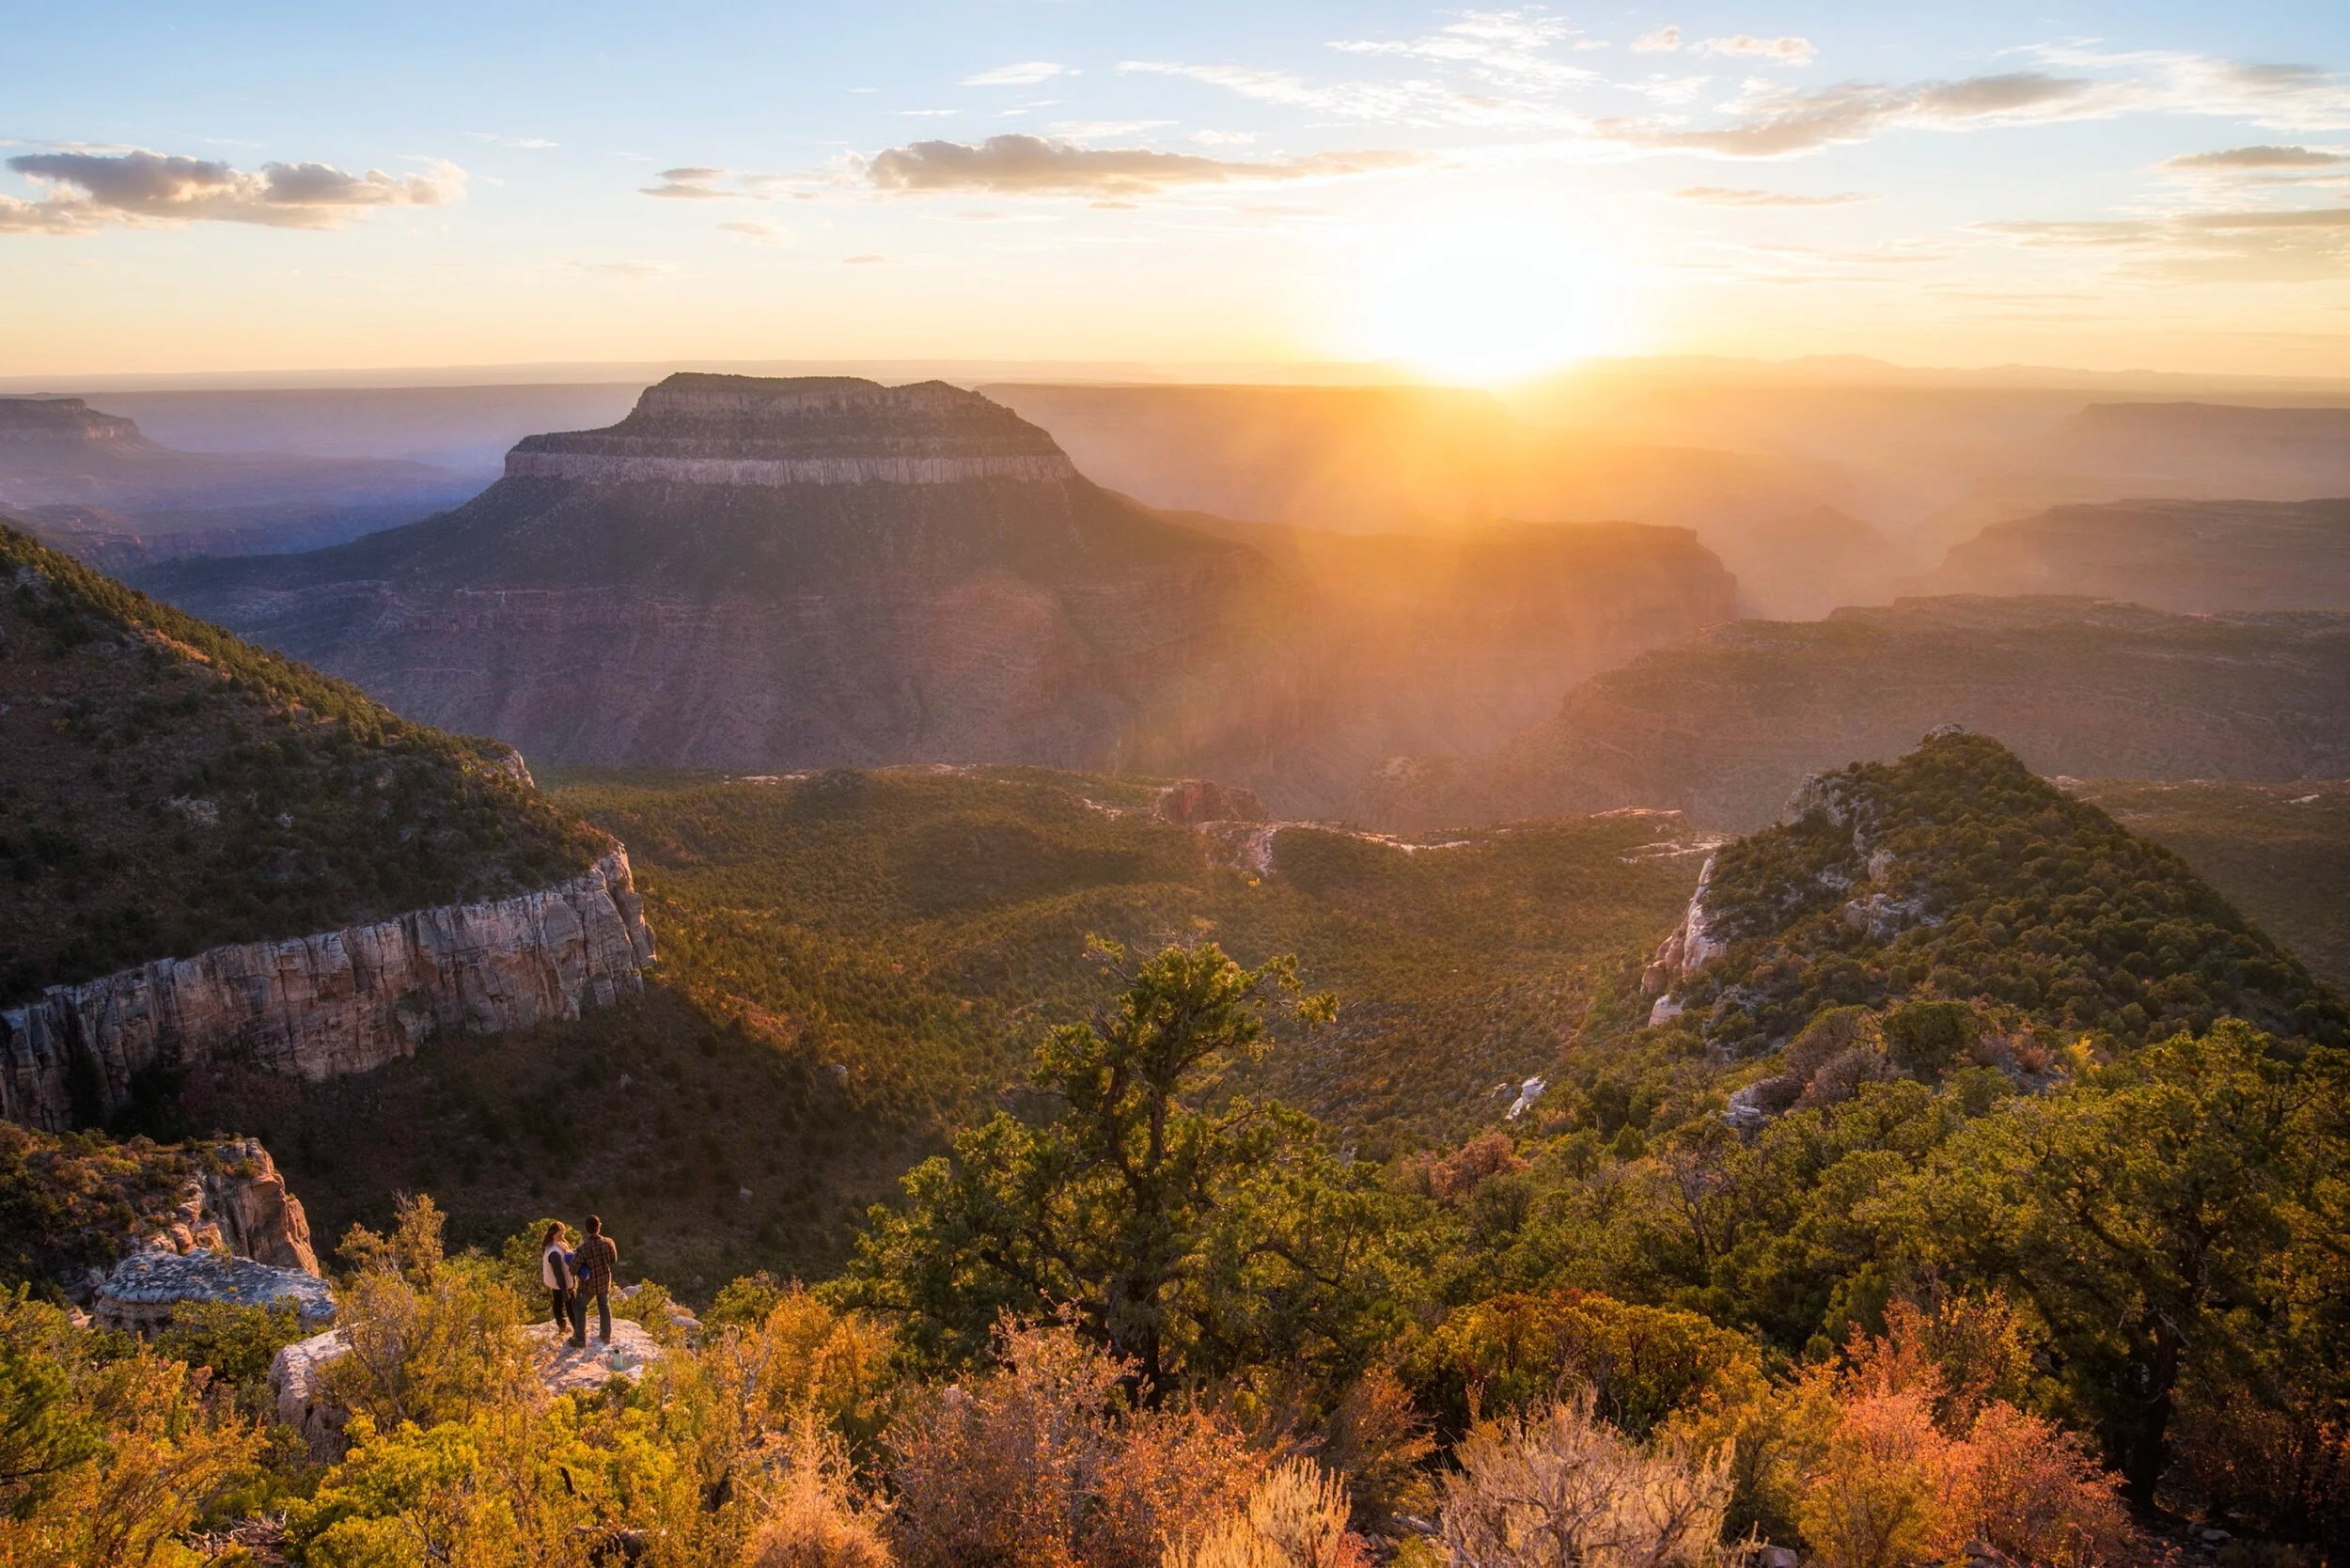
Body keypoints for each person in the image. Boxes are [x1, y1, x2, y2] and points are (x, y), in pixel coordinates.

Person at [571, 1214, 619, 1347]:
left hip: (588, 1285)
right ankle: (605, 1334)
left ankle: (580, 1338)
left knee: (580, 1307)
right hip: (604, 1281)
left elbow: (573, 1269)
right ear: (599, 1228)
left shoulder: (582, 1248)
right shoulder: (608, 1243)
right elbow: (613, 1259)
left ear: (586, 1229)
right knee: (604, 1305)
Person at [539, 1222, 575, 1332]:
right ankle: (576, 1329)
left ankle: (562, 1325)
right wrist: (564, 1290)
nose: (562, 1237)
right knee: (570, 1305)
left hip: (557, 1282)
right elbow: (558, 1272)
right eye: (560, 1235)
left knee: (558, 1302)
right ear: (552, 1234)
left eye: (563, 1234)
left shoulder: (556, 1244)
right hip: (561, 1282)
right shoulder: (554, 1251)